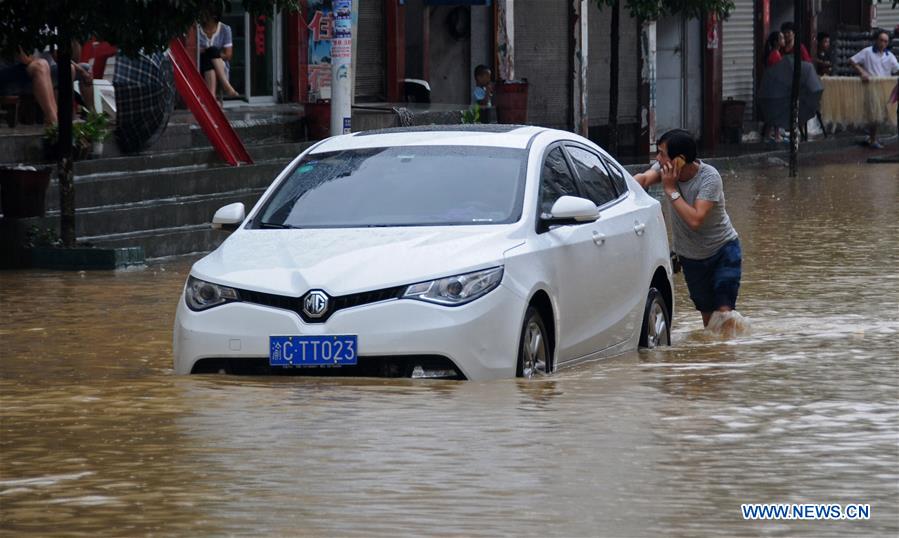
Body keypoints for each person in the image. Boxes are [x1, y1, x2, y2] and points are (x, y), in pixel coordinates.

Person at [633, 130, 742, 331]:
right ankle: (713, 359)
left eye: (662, 154)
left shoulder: (709, 178)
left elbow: (695, 219)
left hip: (723, 251)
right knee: (709, 321)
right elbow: (643, 179)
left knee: (724, 313)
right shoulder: (665, 169)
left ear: (680, 160)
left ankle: (729, 354)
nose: (657, 159)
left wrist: (671, 190)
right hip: (691, 258)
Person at [849, 29, 899, 149]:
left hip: (885, 90)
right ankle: (872, 139)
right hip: (871, 88)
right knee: (874, 114)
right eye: (881, 40)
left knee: (880, 114)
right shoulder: (867, 52)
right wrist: (862, 72)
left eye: (885, 41)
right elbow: (852, 60)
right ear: (876, 40)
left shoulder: (890, 56)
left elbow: (897, 69)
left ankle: (872, 137)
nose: (883, 43)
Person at [0, 50, 58, 125]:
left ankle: (57, 119)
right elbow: (25, 59)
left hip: (26, 71)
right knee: (40, 65)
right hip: (5, 73)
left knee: (67, 68)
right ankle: (53, 122)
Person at [197, 11, 239, 100]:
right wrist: (208, 51)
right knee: (211, 52)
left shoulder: (225, 29)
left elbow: (228, 55)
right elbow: (193, 51)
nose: (204, 17)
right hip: (199, 65)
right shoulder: (196, 29)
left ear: (214, 17)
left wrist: (211, 54)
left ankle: (212, 98)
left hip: (221, 66)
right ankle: (226, 86)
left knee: (211, 54)